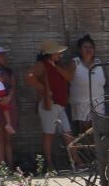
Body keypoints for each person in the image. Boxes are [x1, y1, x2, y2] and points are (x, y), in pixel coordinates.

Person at [27, 40, 74, 172]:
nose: (60, 54)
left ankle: (77, 161)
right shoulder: (41, 65)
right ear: (50, 53)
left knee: (68, 133)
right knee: (49, 135)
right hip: (49, 104)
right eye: (57, 52)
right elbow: (29, 77)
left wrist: (55, 66)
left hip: (59, 105)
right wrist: (42, 88)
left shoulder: (57, 65)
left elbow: (69, 77)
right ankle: (49, 165)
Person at [69, 35, 106, 133]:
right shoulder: (75, 63)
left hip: (98, 103)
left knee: (98, 131)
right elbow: (67, 80)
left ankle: (97, 149)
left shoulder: (98, 63)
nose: (88, 49)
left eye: (91, 47)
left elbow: (104, 81)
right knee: (84, 132)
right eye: (85, 47)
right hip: (81, 104)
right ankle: (84, 149)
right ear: (79, 49)